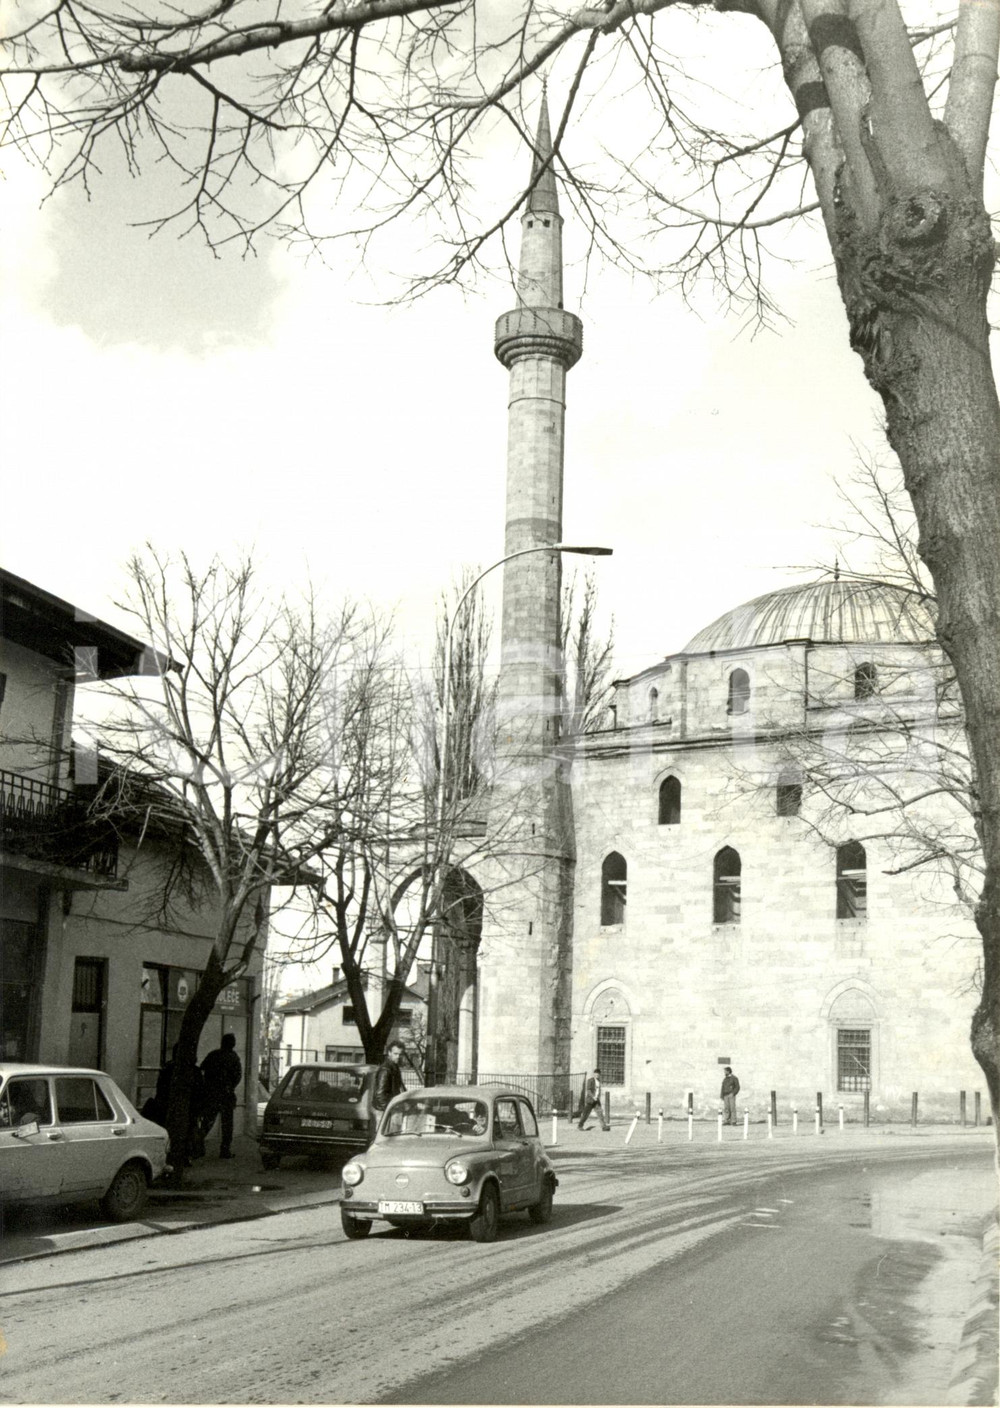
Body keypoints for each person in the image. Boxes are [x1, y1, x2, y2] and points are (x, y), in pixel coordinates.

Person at [199, 1032, 243, 1159]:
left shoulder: (213, 1055)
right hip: (226, 1094)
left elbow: (202, 1068)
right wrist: (230, 1086)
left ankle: (198, 1145)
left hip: (211, 1093)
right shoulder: (233, 1057)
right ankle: (225, 1150)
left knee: (207, 1121)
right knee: (227, 1125)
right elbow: (238, 1076)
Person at [373, 1039, 406, 1116]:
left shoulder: (394, 1067)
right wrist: (389, 1110)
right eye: (395, 1054)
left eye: (400, 1054)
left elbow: (400, 1088)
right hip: (384, 1112)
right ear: (389, 1053)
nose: (398, 1057)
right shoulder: (385, 1070)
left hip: (391, 1109)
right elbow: (380, 1095)